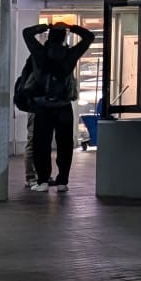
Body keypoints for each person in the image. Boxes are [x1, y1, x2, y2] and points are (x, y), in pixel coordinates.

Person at [22, 21, 95, 189]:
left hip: (43, 105)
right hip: (63, 106)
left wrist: (45, 26)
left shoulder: (39, 52)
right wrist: (71, 26)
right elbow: (89, 36)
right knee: (65, 144)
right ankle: (62, 181)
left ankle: (43, 181)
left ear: (49, 37)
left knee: (41, 143)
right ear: (64, 38)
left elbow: (26, 32)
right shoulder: (70, 54)